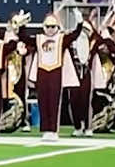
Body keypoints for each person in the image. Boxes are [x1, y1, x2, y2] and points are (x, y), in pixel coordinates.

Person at [23, 11, 83, 142]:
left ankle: (54, 130)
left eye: (53, 27)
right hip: (42, 72)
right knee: (43, 102)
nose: (50, 29)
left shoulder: (62, 39)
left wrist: (79, 22)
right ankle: (46, 130)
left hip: (56, 72)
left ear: (57, 27)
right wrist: (22, 25)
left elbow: (75, 35)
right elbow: (24, 38)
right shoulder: (39, 39)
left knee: (55, 102)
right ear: (44, 27)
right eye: (48, 26)